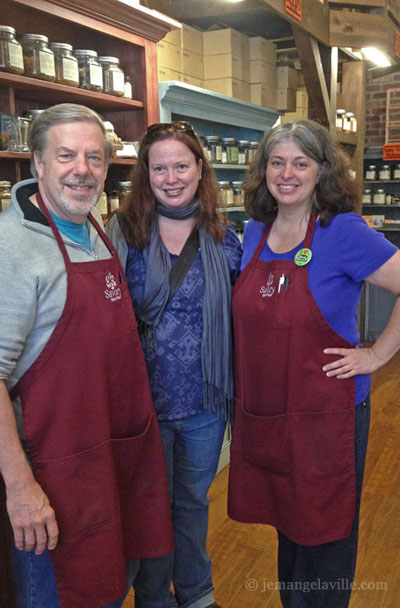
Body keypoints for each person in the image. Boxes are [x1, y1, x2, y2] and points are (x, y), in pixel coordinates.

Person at [0, 103, 173, 608]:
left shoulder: (98, 230)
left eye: (94, 158)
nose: (83, 170)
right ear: (37, 163)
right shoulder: (12, 247)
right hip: (54, 476)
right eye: (66, 156)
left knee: (109, 590)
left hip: (111, 457)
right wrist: (20, 487)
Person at [227, 119, 400, 607]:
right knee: (289, 524)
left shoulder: (343, 231)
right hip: (268, 412)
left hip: (328, 415)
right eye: (276, 163)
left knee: (324, 533)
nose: (287, 174)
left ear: (322, 171)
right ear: (263, 171)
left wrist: (376, 354)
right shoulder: (256, 228)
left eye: (300, 163)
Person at [106, 120, 242, 608]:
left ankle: (196, 592)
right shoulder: (121, 233)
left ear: (200, 168)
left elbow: (248, 315)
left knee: (190, 503)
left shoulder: (225, 237)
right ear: (146, 172)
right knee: (149, 508)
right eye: (159, 167)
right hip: (144, 401)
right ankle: (152, 598)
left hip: (204, 400)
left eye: (181, 165)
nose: (171, 177)